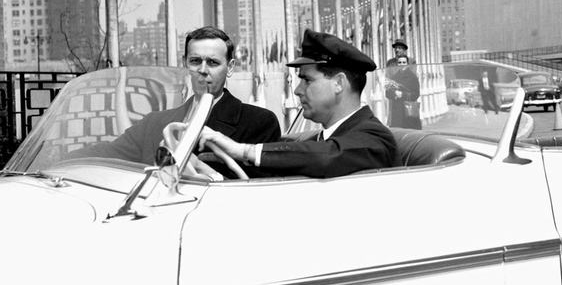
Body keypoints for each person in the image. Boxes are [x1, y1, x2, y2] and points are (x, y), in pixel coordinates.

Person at [198, 29, 396, 178]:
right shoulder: (321, 141)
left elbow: (326, 157)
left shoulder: (375, 140)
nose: (297, 90)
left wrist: (243, 150)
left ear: (338, 83)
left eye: (307, 80)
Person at [73, 26, 280, 164]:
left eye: (213, 62)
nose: (203, 70)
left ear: (230, 67)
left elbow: (257, 187)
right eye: (196, 61)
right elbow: (108, 153)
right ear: (185, 64)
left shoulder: (259, 122)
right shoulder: (154, 123)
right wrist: (55, 159)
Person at [386, 39, 421, 129]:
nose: (397, 50)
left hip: (407, 103)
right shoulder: (390, 63)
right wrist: (393, 90)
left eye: (400, 48)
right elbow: (388, 80)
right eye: (396, 48)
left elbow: (412, 87)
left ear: (404, 50)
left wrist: (402, 93)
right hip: (395, 101)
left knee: (409, 126)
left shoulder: (411, 62)